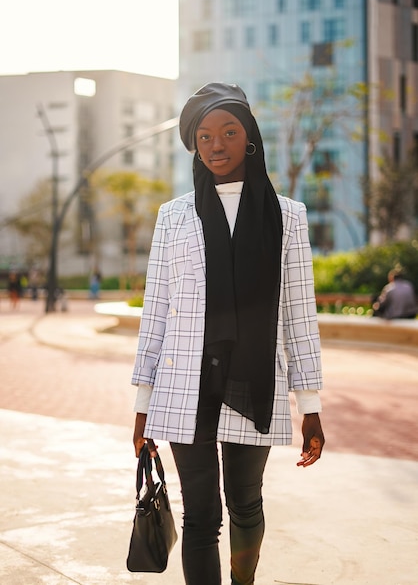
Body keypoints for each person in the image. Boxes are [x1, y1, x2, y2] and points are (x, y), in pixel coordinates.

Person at [131, 82, 325, 585]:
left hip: (253, 383)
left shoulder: (288, 217)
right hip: (183, 389)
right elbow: (157, 313)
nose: (216, 145)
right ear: (194, 145)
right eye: (204, 136)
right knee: (200, 517)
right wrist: (142, 404)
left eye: (229, 132)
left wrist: (311, 407)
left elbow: (299, 316)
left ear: (249, 138)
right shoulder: (172, 217)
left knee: (244, 505)